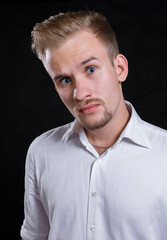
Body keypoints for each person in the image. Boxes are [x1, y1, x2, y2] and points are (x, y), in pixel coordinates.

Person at [20, 11, 167, 240]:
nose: (80, 94)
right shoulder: (41, 152)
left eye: (90, 69)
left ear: (119, 69)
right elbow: (34, 235)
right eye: (65, 80)